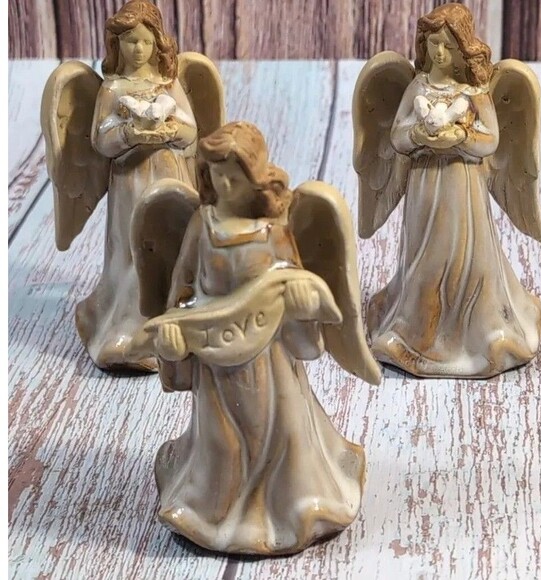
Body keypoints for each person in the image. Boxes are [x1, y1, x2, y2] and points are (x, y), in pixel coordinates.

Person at [151, 122, 366, 554]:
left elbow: (295, 282)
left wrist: (302, 302)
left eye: (234, 176)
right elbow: (182, 289)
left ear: (256, 176)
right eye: (216, 175)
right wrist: (174, 333)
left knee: (284, 434)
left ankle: (294, 508)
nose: (225, 185)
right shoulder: (203, 225)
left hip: (270, 361)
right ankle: (211, 512)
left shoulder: (273, 231)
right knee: (221, 443)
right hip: (217, 362)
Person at [367, 3, 541, 377]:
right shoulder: (418, 87)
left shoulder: (475, 93)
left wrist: (460, 137)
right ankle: (418, 334)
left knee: (466, 258)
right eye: (433, 44)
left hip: (462, 188)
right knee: (425, 258)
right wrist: (419, 135)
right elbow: (397, 136)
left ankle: (479, 332)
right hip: (425, 185)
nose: (440, 53)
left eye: (448, 46)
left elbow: (491, 140)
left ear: (463, 47)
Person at [77, 0, 197, 370]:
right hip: (130, 180)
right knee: (133, 249)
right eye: (131, 42)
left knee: (171, 244)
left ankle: (175, 326)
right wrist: (130, 134)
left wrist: (171, 131)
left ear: (158, 43)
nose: (139, 49)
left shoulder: (168, 84)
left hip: (168, 174)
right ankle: (127, 332)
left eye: (146, 41)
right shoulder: (113, 89)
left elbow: (192, 133)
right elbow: (101, 140)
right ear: (117, 44)